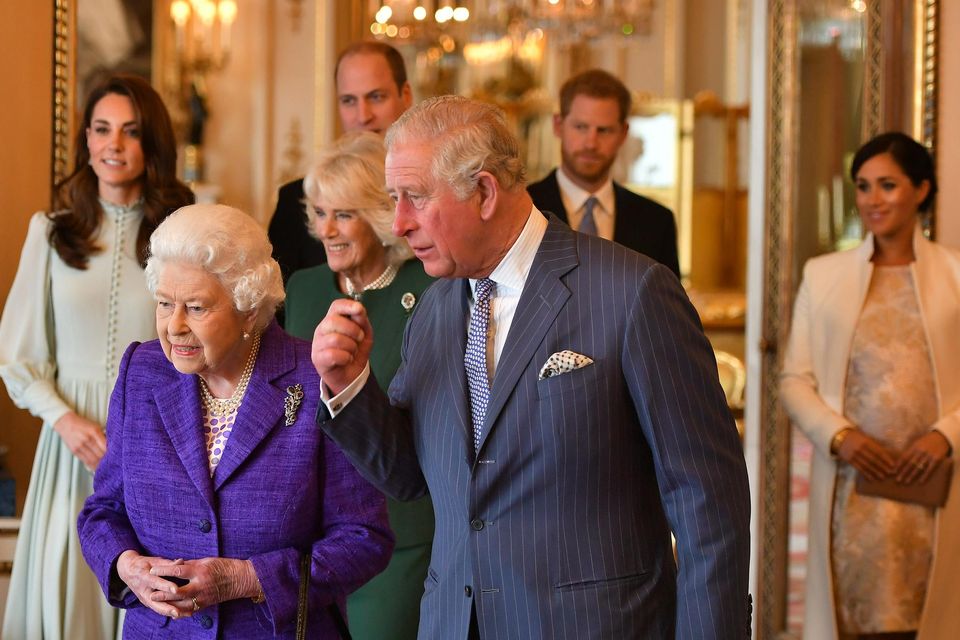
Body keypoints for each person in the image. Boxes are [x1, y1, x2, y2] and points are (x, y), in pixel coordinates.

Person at [312, 96, 751, 638]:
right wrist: (348, 384)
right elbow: (410, 477)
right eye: (394, 199)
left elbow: (708, 502)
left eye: (416, 199)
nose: (399, 223)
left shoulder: (632, 293)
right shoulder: (434, 308)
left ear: (484, 191)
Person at [77, 204, 394, 638]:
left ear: (248, 309)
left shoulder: (314, 375)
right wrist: (124, 565)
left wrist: (248, 579)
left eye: (196, 307)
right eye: (165, 304)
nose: (174, 327)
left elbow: (365, 538)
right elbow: (104, 510)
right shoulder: (142, 372)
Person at [0, 73, 194, 640]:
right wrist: (64, 419)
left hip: (158, 440)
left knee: (148, 584)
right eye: (102, 129)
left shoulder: (179, 235)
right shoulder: (51, 232)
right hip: (72, 444)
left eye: (131, 132)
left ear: (151, 142)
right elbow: (17, 353)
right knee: (70, 590)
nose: (114, 144)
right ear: (86, 140)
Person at [780, 132, 960, 640]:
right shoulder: (825, 274)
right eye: (863, 186)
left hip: (936, 483)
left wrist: (944, 433)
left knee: (933, 614)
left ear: (921, 190)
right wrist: (842, 437)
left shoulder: (955, 274)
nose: (873, 199)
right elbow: (795, 380)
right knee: (852, 617)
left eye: (888, 185)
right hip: (853, 489)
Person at [284, 131, 434, 640]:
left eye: (343, 214)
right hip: (310, 539)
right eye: (319, 212)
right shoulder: (301, 290)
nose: (326, 229)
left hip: (401, 536)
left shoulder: (431, 292)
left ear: (379, 214)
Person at [268, 41, 413, 286]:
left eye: (376, 97)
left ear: (405, 95)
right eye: (348, 101)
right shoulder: (295, 201)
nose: (363, 116)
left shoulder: (431, 195)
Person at [527, 68, 680, 277]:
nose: (591, 143)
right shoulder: (525, 208)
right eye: (580, 127)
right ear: (558, 126)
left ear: (623, 134)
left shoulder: (656, 222)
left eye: (604, 130)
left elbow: (665, 307)